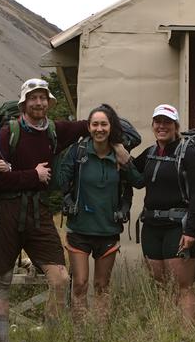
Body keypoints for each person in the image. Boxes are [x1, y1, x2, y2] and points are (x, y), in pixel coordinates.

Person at [0, 77, 89, 342]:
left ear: (49, 102)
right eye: (33, 98)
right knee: (2, 280)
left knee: (60, 278)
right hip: (7, 212)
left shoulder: (55, 131)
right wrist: (34, 175)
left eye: (43, 98)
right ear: (24, 103)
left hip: (38, 212)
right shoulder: (7, 133)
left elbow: (94, 124)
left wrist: (118, 144)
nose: (39, 103)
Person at [55, 103, 142, 322]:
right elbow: (61, 179)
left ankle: (101, 333)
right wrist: (67, 199)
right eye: (95, 124)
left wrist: (126, 160)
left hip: (108, 230)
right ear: (89, 127)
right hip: (79, 229)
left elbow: (138, 181)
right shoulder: (78, 152)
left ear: (111, 127)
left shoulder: (120, 155)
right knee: (80, 283)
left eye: (104, 124)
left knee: (102, 285)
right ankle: (80, 333)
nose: (99, 129)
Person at [134, 103, 195, 326]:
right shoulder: (150, 153)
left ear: (176, 126)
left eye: (167, 122)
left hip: (180, 227)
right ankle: (166, 335)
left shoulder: (190, 152)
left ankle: (186, 338)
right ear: (152, 125)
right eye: (158, 122)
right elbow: (133, 175)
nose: (162, 126)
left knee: (182, 286)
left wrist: (191, 229)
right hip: (151, 227)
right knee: (161, 285)